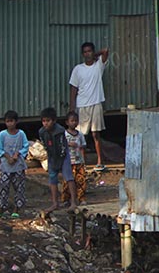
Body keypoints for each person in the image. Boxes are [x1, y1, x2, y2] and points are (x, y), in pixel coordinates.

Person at [69, 41, 109, 171]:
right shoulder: (78, 69)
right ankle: (82, 162)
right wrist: (72, 108)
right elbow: (73, 90)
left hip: (96, 103)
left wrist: (94, 56)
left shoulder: (98, 66)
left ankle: (99, 161)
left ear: (93, 52)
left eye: (89, 51)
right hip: (82, 105)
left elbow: (105, 51)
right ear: (82, 54)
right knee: (82, 136)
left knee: (96, 134)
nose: (87, 54)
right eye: (85, 52)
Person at [39, 107, 77, 220]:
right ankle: (55, 203)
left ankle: (74, 202)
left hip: (62, 155)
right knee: (52, 179)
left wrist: (59, 161)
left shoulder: (59, 131)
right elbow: (45, 145)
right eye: (44, 121)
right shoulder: (42, 131)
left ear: (54, 120)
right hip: (51, 156)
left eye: (48, 121)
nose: (46, 123)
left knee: (69, 177)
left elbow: (61, 147)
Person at [0, 110, 28, 218]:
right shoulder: (2, 134)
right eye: (7, 121)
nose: (10, 124)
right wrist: (8, 157)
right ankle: (2, 206)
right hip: (6, 165)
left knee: (19, 187)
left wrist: (17, 154)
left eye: (12, 121)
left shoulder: (21, 134)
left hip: (18, 165)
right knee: (4, 186)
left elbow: (26, 146)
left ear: (16, 121)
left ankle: (17, 208)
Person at [61, 111, 87, 206]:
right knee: (67, 181)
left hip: (79, 161)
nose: (74, 123)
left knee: (81, 181)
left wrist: (83, 157)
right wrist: (69, 144)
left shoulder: (80, 134)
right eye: (72, 121)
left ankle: (81, 198)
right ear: (67, 122)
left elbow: (83, 145)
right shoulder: (64, 134)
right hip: (68, 162)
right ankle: (66, 199)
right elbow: (61, 145)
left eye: (76, 121)